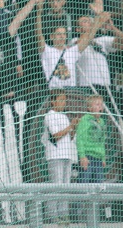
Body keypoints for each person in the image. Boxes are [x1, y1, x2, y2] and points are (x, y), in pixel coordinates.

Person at [43, 91, 77, 224]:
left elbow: (69, 137)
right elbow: (56, 135)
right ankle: (53, 215)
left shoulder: (64, 116)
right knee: (56, 185)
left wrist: (74, 128)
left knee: (65, 186)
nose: (64, 103)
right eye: (61, 100)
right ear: (53, 101)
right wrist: (70, 127)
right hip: (55, 155)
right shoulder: (50, 116)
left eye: (65, 100)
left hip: (66, 155)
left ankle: (64, 214)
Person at [76, 95, 108, 184]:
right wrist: (82, 156)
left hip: (98, 158)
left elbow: (101, 141)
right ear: (90, 108)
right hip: (88, 157)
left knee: (98, 184)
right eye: (97, 104)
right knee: (85, 183)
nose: (100, 107)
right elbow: (80, 138)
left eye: (101, 105)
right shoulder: (85, 120)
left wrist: (103, 157)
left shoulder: (102, 122)